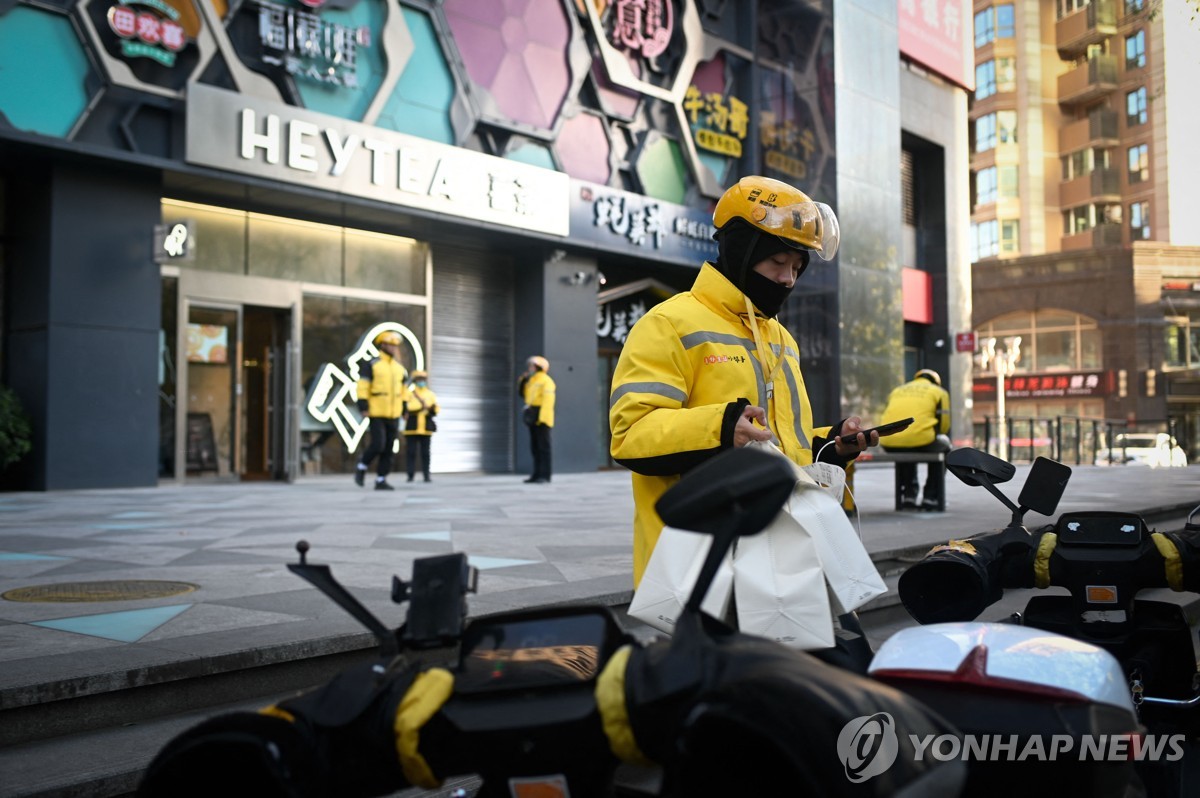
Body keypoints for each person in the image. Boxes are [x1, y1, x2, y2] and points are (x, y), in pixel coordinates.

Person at [609, 175, 878, 587]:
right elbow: (630, 435)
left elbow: (782, 442)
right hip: (702, 563)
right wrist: (721, 428)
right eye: (778, 262)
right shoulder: (669, 323)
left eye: (797, 267)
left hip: (786, 559)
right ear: (741, 251)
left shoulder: (782, 340)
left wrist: (831, 444)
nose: (788, 278)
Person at [880, 368, 952, 511]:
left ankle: (908, 496)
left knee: (907, 448)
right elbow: (944, 424)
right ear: (936, 382)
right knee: (944, 448)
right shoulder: (939, 392)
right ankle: (930, 497)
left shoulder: (898, 390)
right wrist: (938, 433)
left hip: (889, 441)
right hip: (921, 440)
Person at [354, 331, 409, 491]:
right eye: (391, 345)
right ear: (382, 345)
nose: (394, 348)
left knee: (389, 448)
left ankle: (381, 479)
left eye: (395, 346)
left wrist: (405, 409)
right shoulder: (372, 363)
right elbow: (363, 386)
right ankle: (362, 465)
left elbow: (404, 390)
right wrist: (363, 405)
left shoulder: (399, 369)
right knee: (378, 444)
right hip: (376, 412)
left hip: (394, 413)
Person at [519, 355, 556, 484]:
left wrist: (543, 419)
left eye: (532, 366)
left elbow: (548, 401)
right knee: (535, 448)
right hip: (533, 415)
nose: (530, 368)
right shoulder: (531, 380)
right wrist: (523, 380)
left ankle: (545, 476)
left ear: (539, 367)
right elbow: (524, 394)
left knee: (544, 448)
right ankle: (536, 475)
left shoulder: (546, 380)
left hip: (542, 417)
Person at [402, 370, 439, 482]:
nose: (421, 382)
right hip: (412, 427)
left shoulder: (430, 394)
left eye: (423, 380)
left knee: (425, 453)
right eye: (419, 380)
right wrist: (421, 408)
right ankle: (410, 475)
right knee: (411, 452)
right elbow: (407, 407)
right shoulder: (410, 393)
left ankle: (426, 475)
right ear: (415, 381)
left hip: (425, 428)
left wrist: (430, 408)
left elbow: (436, 409)